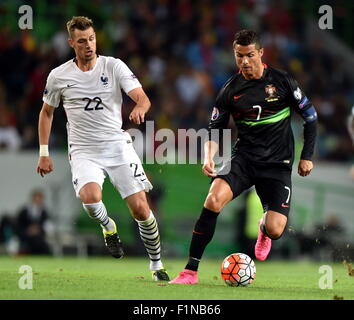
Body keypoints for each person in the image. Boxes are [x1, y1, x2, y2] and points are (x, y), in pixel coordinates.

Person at [170, 30, 317, 284]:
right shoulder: (230, 89)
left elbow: (310, 117)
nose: (245, 61)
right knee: (213, 199)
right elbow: (214, 129)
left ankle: (263, 229)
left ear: (261, 53)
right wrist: (208, 157)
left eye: (250, 55)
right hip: (245, 160)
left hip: (277, 166)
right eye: (239, 56)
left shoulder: (282, 81)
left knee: (276, 229)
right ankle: (190, 271)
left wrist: (307, 156)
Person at [36, 16, 169, 281]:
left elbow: (141, 97)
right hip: (84, 149)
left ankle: (156, 264)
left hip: (117, 146)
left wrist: (141, 107)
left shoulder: (113, 66)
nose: (89, 45)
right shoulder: (59, 76)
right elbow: (46, 113)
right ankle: (109, 227)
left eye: (92, 39)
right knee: (90, 197)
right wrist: (43, 152)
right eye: (82, 41)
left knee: (141, 209)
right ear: (71, 43)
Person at [16, 189, 52, 255]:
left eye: (40, 199)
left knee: (39, 242)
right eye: (36, 199)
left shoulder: (44, 212)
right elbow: (19, 226)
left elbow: (48, 227)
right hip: (26, 238)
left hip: (40, 237)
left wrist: (38, 229)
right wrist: (28, 231)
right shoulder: (24, 211)